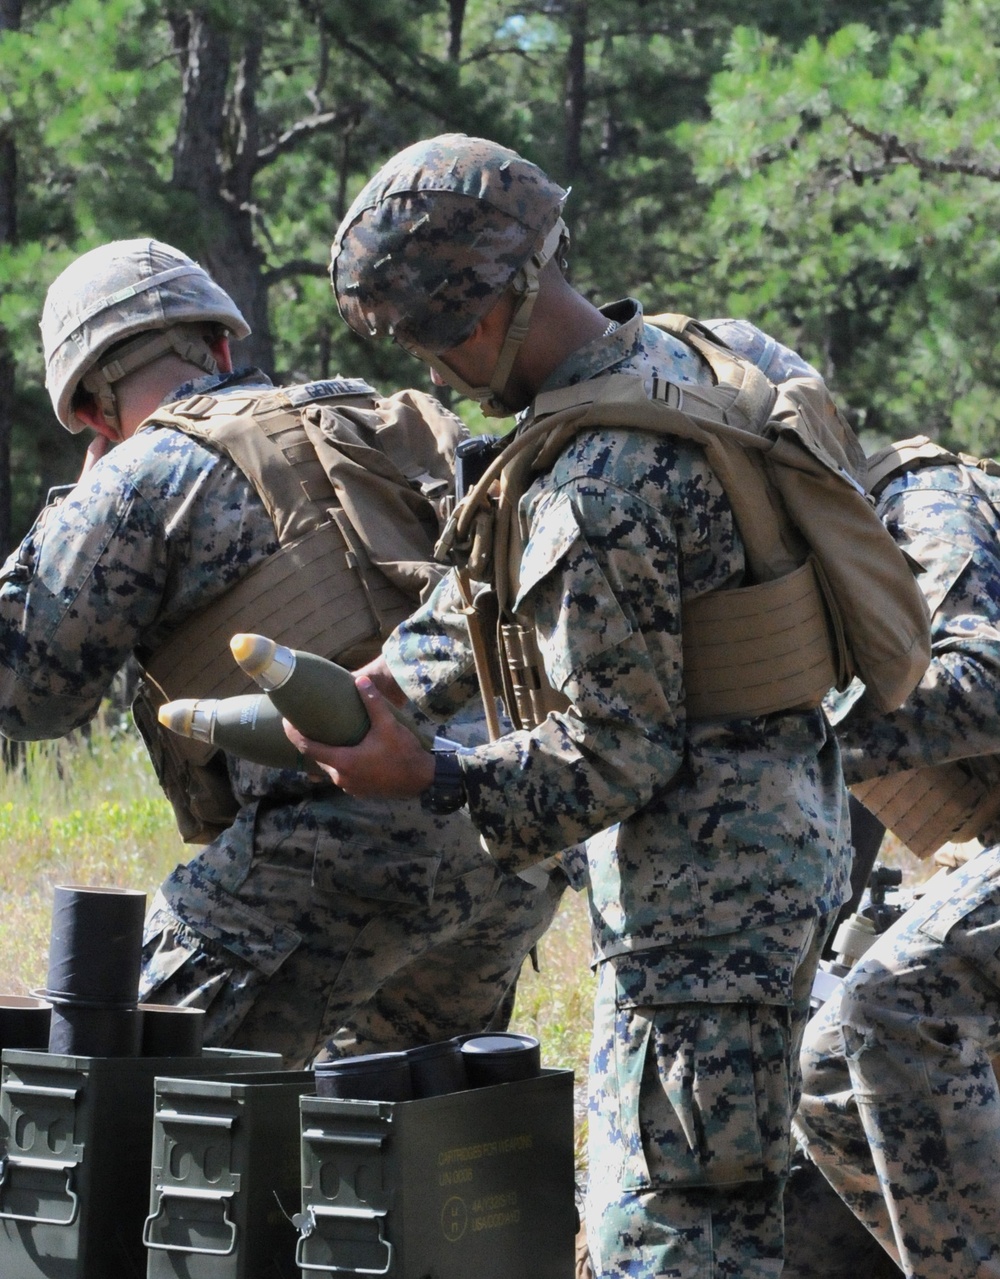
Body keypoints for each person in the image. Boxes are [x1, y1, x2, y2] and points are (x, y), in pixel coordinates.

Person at [290, 133, 854, 1278]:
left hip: (700, 916)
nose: (433, 368)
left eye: (426, 337)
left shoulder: (600, 485)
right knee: (698, 1210)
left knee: (673, 1239)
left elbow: (615, 756)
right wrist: (394, 680)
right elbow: (497, 562)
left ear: (484, 305)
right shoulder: (698, 358)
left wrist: (435, 775)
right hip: (778, 843)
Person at [0, 237, 565, 1068]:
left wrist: (71, 507)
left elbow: (27, 696)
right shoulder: (384, 421)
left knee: (98, 1072)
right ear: (224, 346)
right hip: (512, 830)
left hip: (344, 842)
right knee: (390, 1126)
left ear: (90, 411)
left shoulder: (141, 473)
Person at [789, 437, 1000, 1279]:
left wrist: (781, 741)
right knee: (828, 1069)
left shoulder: (917, 500)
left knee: (895, 1000)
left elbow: (983, 683)